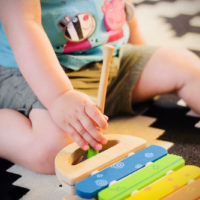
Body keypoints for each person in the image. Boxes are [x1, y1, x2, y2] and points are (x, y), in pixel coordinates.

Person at [0, 0, 200, 174]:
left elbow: (121, 5)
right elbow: (23, 25)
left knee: (185, 64)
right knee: (54, 150)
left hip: (109, 59)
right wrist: (60, 97)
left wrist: (138, 45)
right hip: (36, 73)